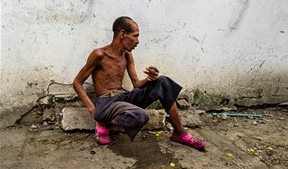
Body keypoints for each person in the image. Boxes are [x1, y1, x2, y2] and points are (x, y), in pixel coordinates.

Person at [73, 16, 205, 150]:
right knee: (140, 116)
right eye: (135, 36)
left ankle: (179, 133)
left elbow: (136, 84)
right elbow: (77, 82)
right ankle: (102, 120)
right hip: (106, 102)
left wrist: (149, 79)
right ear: (123, 34)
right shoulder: (99, 54)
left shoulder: (127, 55)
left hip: (123, 98)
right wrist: (92, 110)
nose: (137, 41)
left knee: (163, 82)